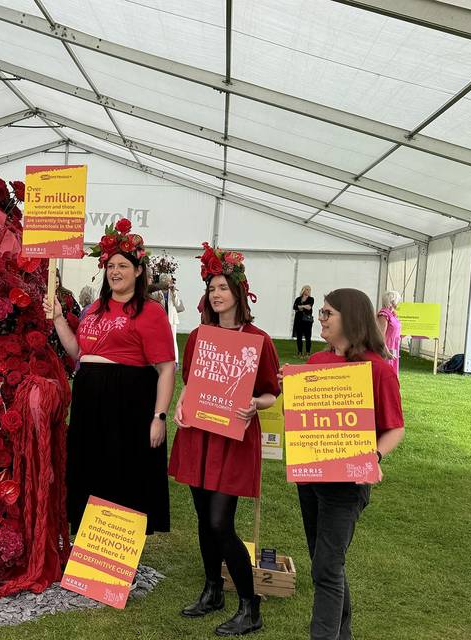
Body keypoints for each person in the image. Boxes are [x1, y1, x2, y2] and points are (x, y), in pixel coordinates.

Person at [169, 243, 280, 637]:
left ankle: (251, 606)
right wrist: (181, 405)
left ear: (239, 293)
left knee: (220, 522)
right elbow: (191, 383)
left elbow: (271, 391)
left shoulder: (259, 341)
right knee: (203, 518)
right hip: (200, 435)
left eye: (223, 288)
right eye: (212, 288)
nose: (216, 294)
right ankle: (213, 589)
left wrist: (255, 403)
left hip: (232, 439)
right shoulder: (199, 336)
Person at [46, 218, 176, 535]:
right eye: (111, 266)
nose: (115, 272)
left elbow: (166, 368)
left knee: (123, 473)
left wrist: (159, 416)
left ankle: (117, 553)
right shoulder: (93, 309)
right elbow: (78, 353)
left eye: (122, 266)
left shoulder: (150, 311)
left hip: (128, 404)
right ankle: (89, 545)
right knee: (90, 470)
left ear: (139, 271)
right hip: (90, 403)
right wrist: (60, 320)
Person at [290, 288, 404, 639]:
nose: (320, 319)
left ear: (350, 319)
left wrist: (375, 455)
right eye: (321, 313)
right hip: (311, 479)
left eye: (327, 314)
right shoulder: (316, 363)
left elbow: (394, 428)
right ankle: (344, 633)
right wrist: (291, 391)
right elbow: (305, 419)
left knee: (326, 566)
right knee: (326, 563)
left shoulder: (378, 369)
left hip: (348, 484)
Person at [49, 268, 82, 378]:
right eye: (52, 283)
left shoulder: (67, 294)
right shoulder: (44, 294)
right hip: (49, 331)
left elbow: (77, 312)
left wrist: (69, 318)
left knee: (63, 354)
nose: (55, 285)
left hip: (63, 330)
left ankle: (65, 373)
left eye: (57, 282)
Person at [376, 290, 402, 376]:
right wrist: (387, 352)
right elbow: (380, 335)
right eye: (397, 301)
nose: (399, 303)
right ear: (392, 302)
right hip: (387, 349)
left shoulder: (392, 314)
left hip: (394, 348)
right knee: (387, 373)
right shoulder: (384, 315)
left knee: (392, 374)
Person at [293, 285, 315, 357]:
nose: (308, 291)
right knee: (299, 337)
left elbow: (309, 307)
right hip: (298, 320)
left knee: (308, 337)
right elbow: (295, 307)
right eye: (307, 290)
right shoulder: (298, 299)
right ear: (303, 290)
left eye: (309, 290)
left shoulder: (311, 299)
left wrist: (300, 307)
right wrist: (303, 306)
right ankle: (299, 352)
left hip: (307, 320)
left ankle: (308, 352)